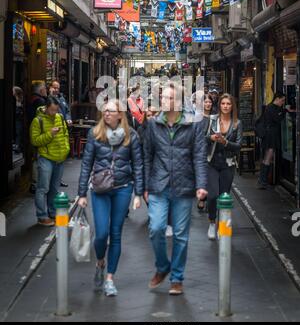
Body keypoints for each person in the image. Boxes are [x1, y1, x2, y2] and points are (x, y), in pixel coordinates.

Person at [143, 83, 208, 295]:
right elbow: (147, 156)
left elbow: (199, 156)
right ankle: (162, 267)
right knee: (156, 228)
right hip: (158, 185)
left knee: (181, 235)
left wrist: (201, 185)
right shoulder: (153, 124)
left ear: (178, 102)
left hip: (184, 185)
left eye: (169, 98)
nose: (163, 101)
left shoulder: (194, 125)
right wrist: (144, 186)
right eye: (163, 97)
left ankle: (177, 278)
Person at [77, 99, 143, 297]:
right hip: (99, 189)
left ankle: (109, 278)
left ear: (120, 114)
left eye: (111, 111)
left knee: (115, 234)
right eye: (105, 111)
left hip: (123, 188)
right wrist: (81, 193)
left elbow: (138, 165)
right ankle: (100, 261)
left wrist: (138, 193)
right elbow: (86, 164)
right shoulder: (95, 134)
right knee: (101, 234)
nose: (106, 114)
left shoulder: (132, 135)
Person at [206, 93, 242, 240]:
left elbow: (238, 146)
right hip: (212, 161)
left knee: (224, 196)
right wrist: (211, 137)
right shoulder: (212, 120)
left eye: (228, 104)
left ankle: (223, 226)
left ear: (232, 106)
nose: (226, 106)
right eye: (223, 103)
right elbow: (203, 137)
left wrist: (225, 143)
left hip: (228, 164)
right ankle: (211, 222)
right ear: (219, 105)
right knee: (213, 195)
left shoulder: (237, 123)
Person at [30, 96, 70, 226]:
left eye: (56, 110)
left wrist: (66, 150)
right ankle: (42, 216)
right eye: (52, 110)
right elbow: (35, 141)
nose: (54, 113)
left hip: (60, 158)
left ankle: (52, 213)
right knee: (43, 188)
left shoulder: (60, 117)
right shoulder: (38, 121)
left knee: (54, 188)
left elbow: (65, 134)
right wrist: (50, 134)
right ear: (46, 108)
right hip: (46, 158)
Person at [257, 92, 288, 189]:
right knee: (268, 157)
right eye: (282, 100)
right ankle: (263, 181)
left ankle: (263, 180)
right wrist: (285, 111)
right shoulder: (271, 108)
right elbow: (277, 119)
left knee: (268, 157)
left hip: (270, 135)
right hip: (270, 136)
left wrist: (283, 110)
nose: (282, 103)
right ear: (277, 99)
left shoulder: (271, 107)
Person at [49, 80, 72, 188]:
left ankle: (58, 179)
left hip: (63, 129)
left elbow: (67, 110)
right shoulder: (48, 99)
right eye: (54, 87)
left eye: (58, 88)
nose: (56, 89)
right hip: (52, 130)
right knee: (53, 155)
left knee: (62, 155)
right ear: (50, 87)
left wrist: (68, 119)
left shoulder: (62, 98)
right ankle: (52, 179)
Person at [28, 82, 48, 194]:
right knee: (37, 159)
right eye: (45, 88)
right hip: (39, 133)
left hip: (34, 132)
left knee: (36, 158)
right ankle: (36, 184)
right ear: (41, 90)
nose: (46, 90)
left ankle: (36, 183)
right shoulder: (40, 101)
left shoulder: (33, 99)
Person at [13, 86, 24, 154]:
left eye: (13, 91)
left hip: (19, 119)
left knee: (19, 132)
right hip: (16, 119)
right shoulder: (14, 99)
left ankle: (18, 146)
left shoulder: (21, 100)